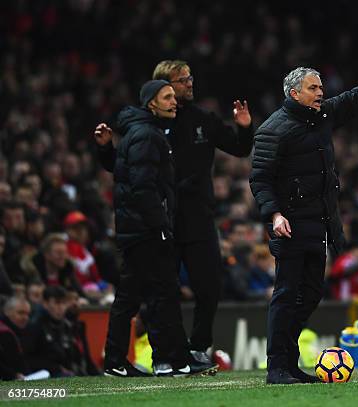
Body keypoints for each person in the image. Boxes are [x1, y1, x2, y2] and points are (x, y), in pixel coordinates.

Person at [249, 56, 358, 384]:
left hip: (319, 224)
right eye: (313, 88)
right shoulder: (272, 130)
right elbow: (259, 179)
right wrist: (273, 214)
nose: (321, 92)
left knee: (313, 294)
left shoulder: (322, 116)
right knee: (287, 293)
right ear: (294, 94)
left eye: (320, 86)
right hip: (288, 225)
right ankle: (277, 367)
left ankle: (289, 364)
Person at [95, 60, 254, 369]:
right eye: (180, 81)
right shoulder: (149, 127)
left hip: (196, 217)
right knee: (161, 294)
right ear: (160, 90)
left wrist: (245, 127)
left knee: (208, 287)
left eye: (189, 78)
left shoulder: (201, 119)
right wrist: (105, 152)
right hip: (162, 220)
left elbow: (238, 148)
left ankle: (195, 348)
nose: (189, 84)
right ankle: (166, 357)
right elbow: (128, 170)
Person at [102, 80, 210, 377]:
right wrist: (160, 224)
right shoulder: (148, 135)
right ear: (152, 103)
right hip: (145, 229)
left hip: (135, 227)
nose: (174, 101)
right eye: (167, 97)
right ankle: (170, 360)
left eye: (174, 97)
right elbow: (143, 186)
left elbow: (128, 175)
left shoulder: (140, 132)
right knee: (160, 294)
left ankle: (123, 359)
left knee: (134, 295)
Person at [0, 296, 31, 380]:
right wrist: (13, 375)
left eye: (28, 314)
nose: (25, 317)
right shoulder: (4, 333)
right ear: (7, 312)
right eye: (21, 313)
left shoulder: (23, 331)